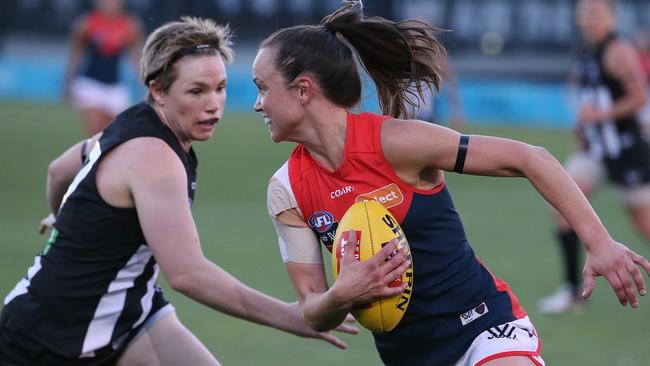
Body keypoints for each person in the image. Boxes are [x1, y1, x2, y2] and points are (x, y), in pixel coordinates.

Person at [252, 1, 650, 365]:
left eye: (262, 88)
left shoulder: (396, 142)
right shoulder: (286, 189)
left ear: (303, 89)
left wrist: (599, 243)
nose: (257, 104)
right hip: (409, 356)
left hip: (485, 329)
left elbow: (532, 158)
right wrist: (342, 294)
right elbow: (311, 308)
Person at [0, 16, 357, 366]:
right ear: (157, 90)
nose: (213, 104)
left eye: (220, 88)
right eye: (196, 91)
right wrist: (290, 316)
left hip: (131, 315)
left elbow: (59, 171)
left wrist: (59, 213)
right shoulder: (154, 157)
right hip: (47, 336)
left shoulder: (132, 126)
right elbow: (188, 275)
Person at [537, 0, 650, 315]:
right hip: (595, 152)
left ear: (612, 17)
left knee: (644, 223)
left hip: (627, 151)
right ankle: (572, 291)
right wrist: (583, 123)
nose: (589, 19)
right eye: (585, 13)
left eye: (597, 13)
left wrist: (600, 115)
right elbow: (587, 93)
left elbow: (639, 97)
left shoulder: (618, 50)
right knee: (562, 206)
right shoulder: (587, 50)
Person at [63, 0, 143, 137]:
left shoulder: (129, 25)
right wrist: (68, 80)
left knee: (116, 133)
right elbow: (76, 53)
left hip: (115, 87)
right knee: (95, 133)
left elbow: (136, 57)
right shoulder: (87, 23)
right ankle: (92, 157)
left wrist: (142, 82)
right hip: (90, 84)